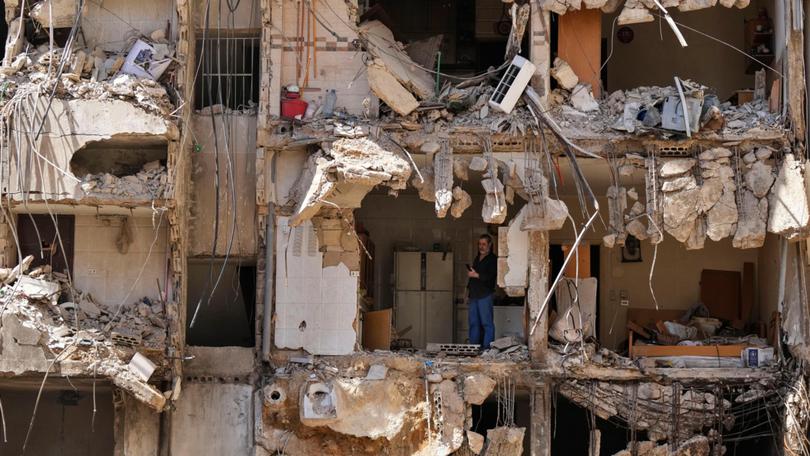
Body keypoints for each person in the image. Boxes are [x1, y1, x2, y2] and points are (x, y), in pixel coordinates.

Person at [467, 234, 497, 349]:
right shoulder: (477, 258)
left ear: (489, 245)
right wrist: (467, 292)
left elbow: (490, 276)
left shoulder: (493, 259)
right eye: (479, 244)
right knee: (473, 323)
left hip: (485, 294)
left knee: (487, 323)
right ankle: (473, 348)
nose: (481, 246)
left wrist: (476, 275)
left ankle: (487, 349)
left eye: (484, 244)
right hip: (474, 295)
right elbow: (472, 278)